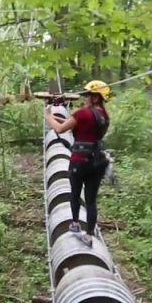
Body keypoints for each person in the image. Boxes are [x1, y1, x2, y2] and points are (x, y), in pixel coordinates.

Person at [45, 80, 111, 247]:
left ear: (96, 98)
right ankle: (89, 234)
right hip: (97, 161)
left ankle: (75, 224)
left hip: (79, 161)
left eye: (88, 96)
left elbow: (60, 129)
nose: (85, 99)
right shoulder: (104, 116)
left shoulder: (82, 114)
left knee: (75, 193)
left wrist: (48, 115)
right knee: (91, 200)